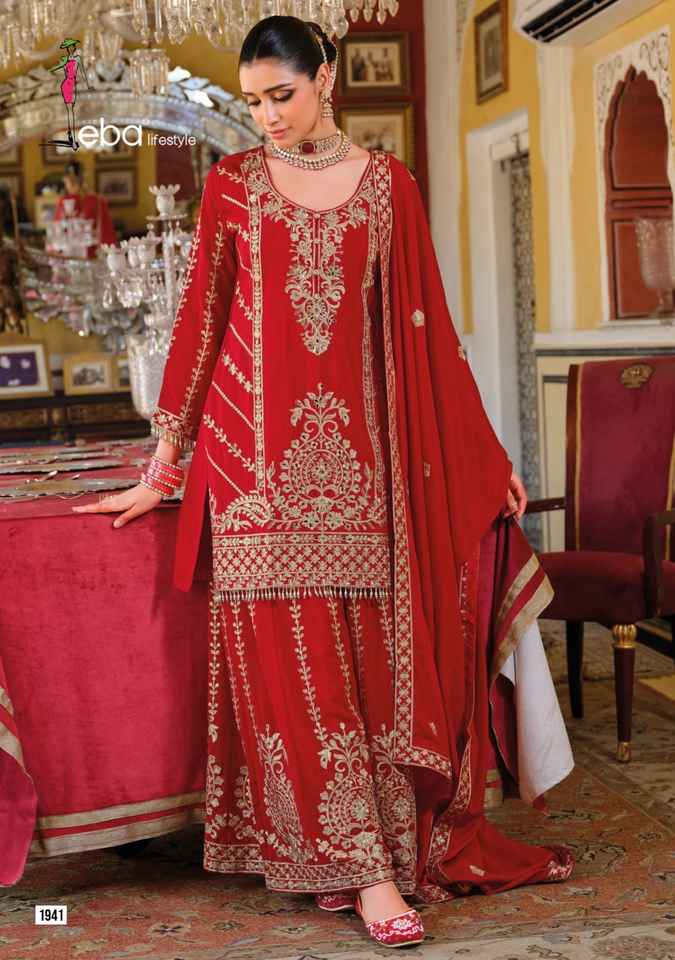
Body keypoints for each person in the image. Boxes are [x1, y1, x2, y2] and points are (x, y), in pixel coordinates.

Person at [73, 15, 575, 949]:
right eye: (253, 101)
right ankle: (369, 876)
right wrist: (163, 466)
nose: (266, 116)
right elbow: (201, 323)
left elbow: (429, 330)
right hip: (254, 475)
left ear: (326, 78)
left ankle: (360, 854)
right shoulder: (231, 186)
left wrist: (485, 456)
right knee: (299, 683)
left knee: (371, 680)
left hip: (367, 475)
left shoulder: (389, 188)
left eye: (282, 95)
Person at [53, 160, 117, 258]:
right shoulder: (63, 201)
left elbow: (106, 231)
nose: (69, 185)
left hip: (92, 254)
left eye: (72, 181)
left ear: (80, 181)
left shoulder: (97, 201)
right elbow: (57, 230)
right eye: (67, 181)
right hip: (68, 254)